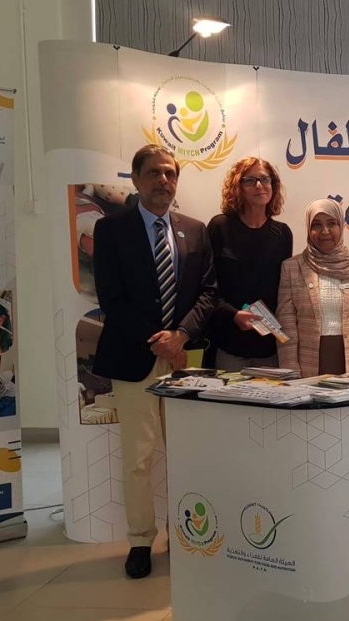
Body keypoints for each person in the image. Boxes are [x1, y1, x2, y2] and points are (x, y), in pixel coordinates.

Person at [92, 144, 217, 579]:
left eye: (170, 173)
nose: (163, 180)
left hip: (185, 359)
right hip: (134, 357)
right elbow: (111, 298)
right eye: (154, 173)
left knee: (186, 454)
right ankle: (141, 540)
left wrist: (180, 335)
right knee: (139, 458)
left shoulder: (195, 230)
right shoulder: (111, 230)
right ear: (136, 179)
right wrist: (158, 341)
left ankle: (184, 534)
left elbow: (208, 293)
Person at [276, 199, 349, 378]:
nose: (325, 231)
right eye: (316, 225)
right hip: (308, 364)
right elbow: (286, 325)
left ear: (341, 226)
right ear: (308, 229)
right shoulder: (292, 267)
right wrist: (290, 371)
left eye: (332, 223)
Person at [205, 158, 293, 370]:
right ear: (238, 187)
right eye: (250, 180)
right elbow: (207, 286)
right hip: (228, 341)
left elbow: (283, 291)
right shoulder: (220, 226)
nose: (259, 185)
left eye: (265, 179)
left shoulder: (282, 234)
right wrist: (233, 315)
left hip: (268, 346)